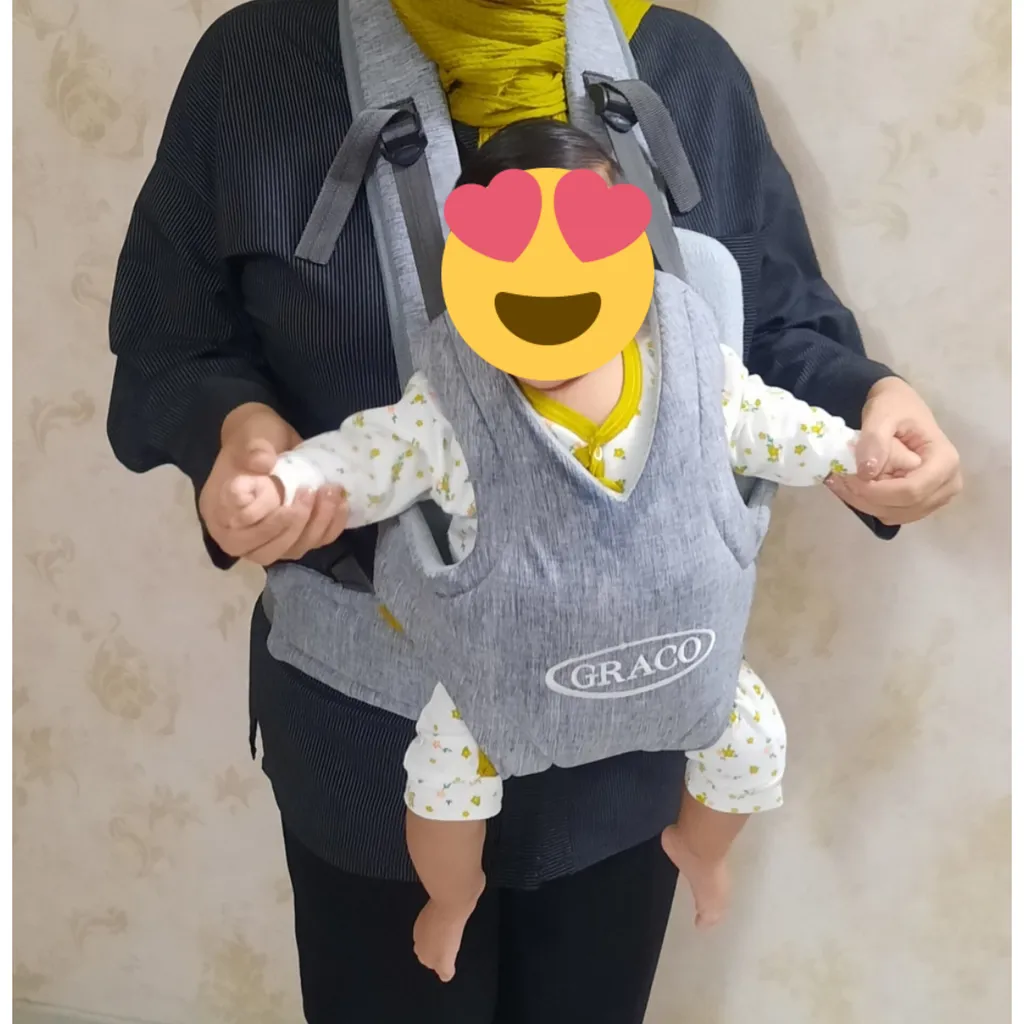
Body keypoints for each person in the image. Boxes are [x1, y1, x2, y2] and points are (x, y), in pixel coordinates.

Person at [106, 1, 962, 1021]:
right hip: (368, 730)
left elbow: (766, 323)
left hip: (630, 722)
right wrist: (236, 432)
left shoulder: (684, 72)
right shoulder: (254, 67)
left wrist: (870, 408)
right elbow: (171, 344)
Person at [225, 118, 921, 981]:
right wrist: (288, 481)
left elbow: (772, 424)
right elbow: (371, 454)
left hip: (684, 657)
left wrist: (854, 453)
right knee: (442, 784)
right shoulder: (455, 398)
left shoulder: (689, 364)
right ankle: (453, 898)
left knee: (753, 746)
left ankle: (701, 851)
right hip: (498, 676)